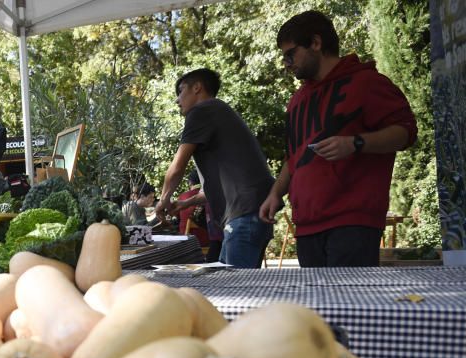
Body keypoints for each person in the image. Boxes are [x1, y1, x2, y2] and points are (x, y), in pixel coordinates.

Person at [258, 10, 418, 267]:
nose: (287, 63)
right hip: (307, 226)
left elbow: (405, 132)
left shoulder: (366, 82)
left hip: (353, 223)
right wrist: (275, 193)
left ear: (316, 43)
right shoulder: (297, 100)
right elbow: (295, 156)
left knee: (350, 307)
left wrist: (356, 143)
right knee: (315, 308)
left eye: (290, 53)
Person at [156, 68, 275, 268]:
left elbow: (178, 165)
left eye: (180, 91)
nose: (177, 100)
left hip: (243, 217)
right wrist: (185, 203)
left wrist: (163, 199)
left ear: (197, 88)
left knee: (239, 294)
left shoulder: (201, 111)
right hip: (252, 213)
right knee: (236, 288)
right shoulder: (218, 113)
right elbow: (212, 190)